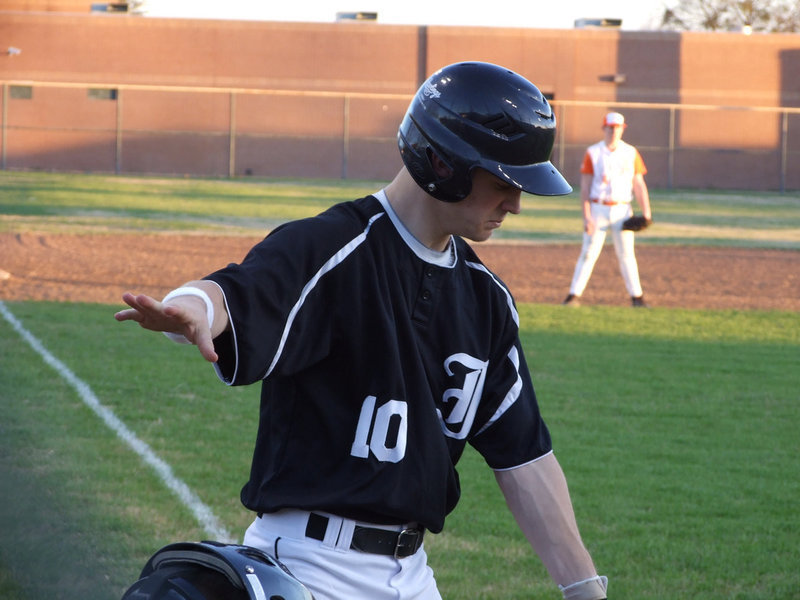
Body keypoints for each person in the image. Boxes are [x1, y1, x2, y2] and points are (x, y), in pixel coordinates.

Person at [115, 61, 608, 600]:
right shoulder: (333, 247)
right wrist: (189, 309)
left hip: (413, 575)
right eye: (501, 184)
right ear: (443, 164)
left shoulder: (486, 299)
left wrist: (584, 588)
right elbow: (236, 292)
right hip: (308, 567)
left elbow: (524, 457)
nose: (515, 204)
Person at [563, 111, 652, 308]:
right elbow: (585, 188)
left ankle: (637, 298)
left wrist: (647, 213)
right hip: (598, 209)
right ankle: (573, 295)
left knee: (627, 254)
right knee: (588, 253)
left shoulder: (630, 153)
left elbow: (639, 184)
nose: (613, 131)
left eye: (617, 127)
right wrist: (587, 216)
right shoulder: (593, 153)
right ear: (604, 128)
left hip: (622, 209)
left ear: (622, 129)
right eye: (610, 127)